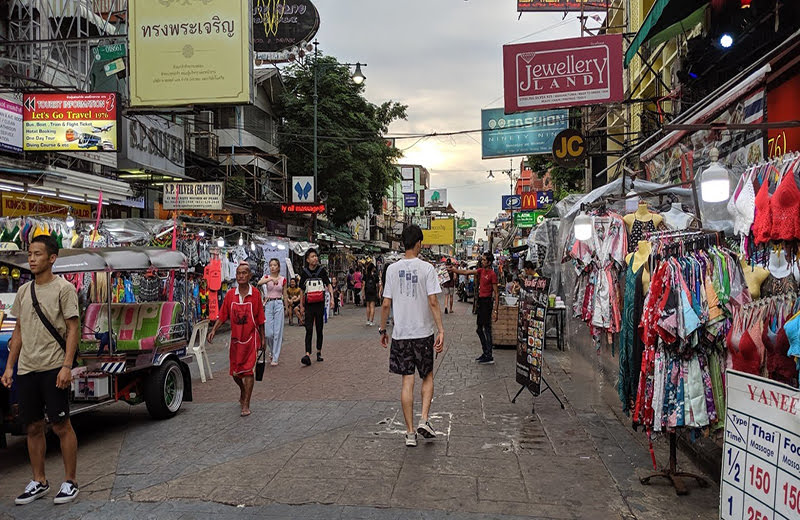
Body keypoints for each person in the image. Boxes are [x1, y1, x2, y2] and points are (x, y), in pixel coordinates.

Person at [1, 236, 80, 505]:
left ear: (52, 258)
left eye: (37, 254)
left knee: (60, 425)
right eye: (29, 254)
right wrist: (10, 366)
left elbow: (72, 329)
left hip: (54, 367)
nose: (31, 259)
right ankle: (39, 480)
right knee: (32, 427)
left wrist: (67, 366)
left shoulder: (64, 289)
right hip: (27, 369)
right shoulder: (24, 292)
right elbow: (19, 331)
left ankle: (70, 482)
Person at [379, 225, 444, 447]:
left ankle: (409, 433)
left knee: (407, 380)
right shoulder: (427, 269)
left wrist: (382, 329)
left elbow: (386, 303)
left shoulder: (391, 269)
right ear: (418, 244)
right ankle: (424, 419)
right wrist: (441, 329)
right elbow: (433, 301)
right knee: (427, 376)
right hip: (423, 332)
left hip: (401, 334)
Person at [207, 262, 265, 416]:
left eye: (244, 273)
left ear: (250, 276)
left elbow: (260, 319)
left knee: (248, 373)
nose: (241, 276)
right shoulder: (231, 295)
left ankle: (246, 404)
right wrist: (214, 330)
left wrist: (263, 340)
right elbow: (223, 315)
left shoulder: (256, 294)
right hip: (235, 340)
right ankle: (243, 390)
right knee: (235, 373)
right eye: (238, 273)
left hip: (251, 339)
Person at [449, 252, 499, 364]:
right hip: (481, 302)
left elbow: (496, 293)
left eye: (485, 260)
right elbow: (466, 272)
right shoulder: (481, 271)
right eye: (482, 259)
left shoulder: (492, 274)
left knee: (486, 329)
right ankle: (486, 352)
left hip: (487, 303)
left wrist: (496, 311)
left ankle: (489, 355)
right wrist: (454, 270)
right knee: (479, 329)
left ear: (489, 262)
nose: (482, 261)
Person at [298, 249, 333, 366]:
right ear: (307, 259)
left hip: (319, 304)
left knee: (319, 328)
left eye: (316, 256)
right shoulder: (304, 272)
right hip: (308, 305)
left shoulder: (322, 271)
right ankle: (307, 354)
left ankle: (319, 351)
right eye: (312, 256)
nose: (315, 258)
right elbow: (301, 290)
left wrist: (332, 298)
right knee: (308, 329)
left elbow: (328, 284)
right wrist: (301, 305)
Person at [257, 258, 287, 366]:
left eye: (275, 265)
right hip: (269, 303)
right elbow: (259, 283)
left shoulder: (283, 279)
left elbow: (285, 293)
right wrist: (269, 279)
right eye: (271, 265)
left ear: (278, 267)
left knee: (278, 332)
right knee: (268, 333)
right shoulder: (266, 277)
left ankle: (275, 356)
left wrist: (286, 307)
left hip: (279, 303)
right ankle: (272, 349)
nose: (273, 267)